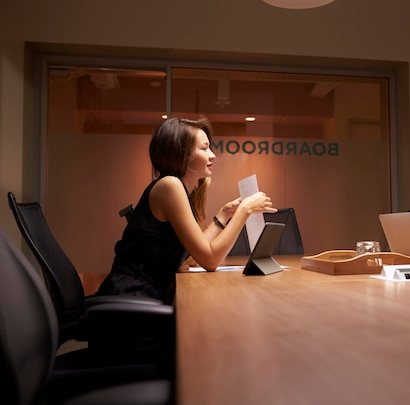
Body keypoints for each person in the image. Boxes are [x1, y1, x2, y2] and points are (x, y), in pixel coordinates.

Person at [96, 117, 277, 304]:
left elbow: (193, 258)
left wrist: (223, 215)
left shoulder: (174, 187)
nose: (213, 155)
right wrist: (244, 211)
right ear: (181, 154)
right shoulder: (170, 185)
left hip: (143, 296)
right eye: (204, 148)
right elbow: (210, 260)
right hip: (132, 297)